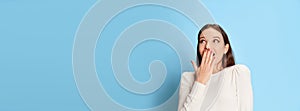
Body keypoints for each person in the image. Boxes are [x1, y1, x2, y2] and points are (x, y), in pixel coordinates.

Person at [178, 24, 253, 111]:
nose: (208, 47)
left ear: (225, 48)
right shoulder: (187, 78)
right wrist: (200, 82)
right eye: (202, 41)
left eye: (215, 41)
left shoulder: (238, 73)